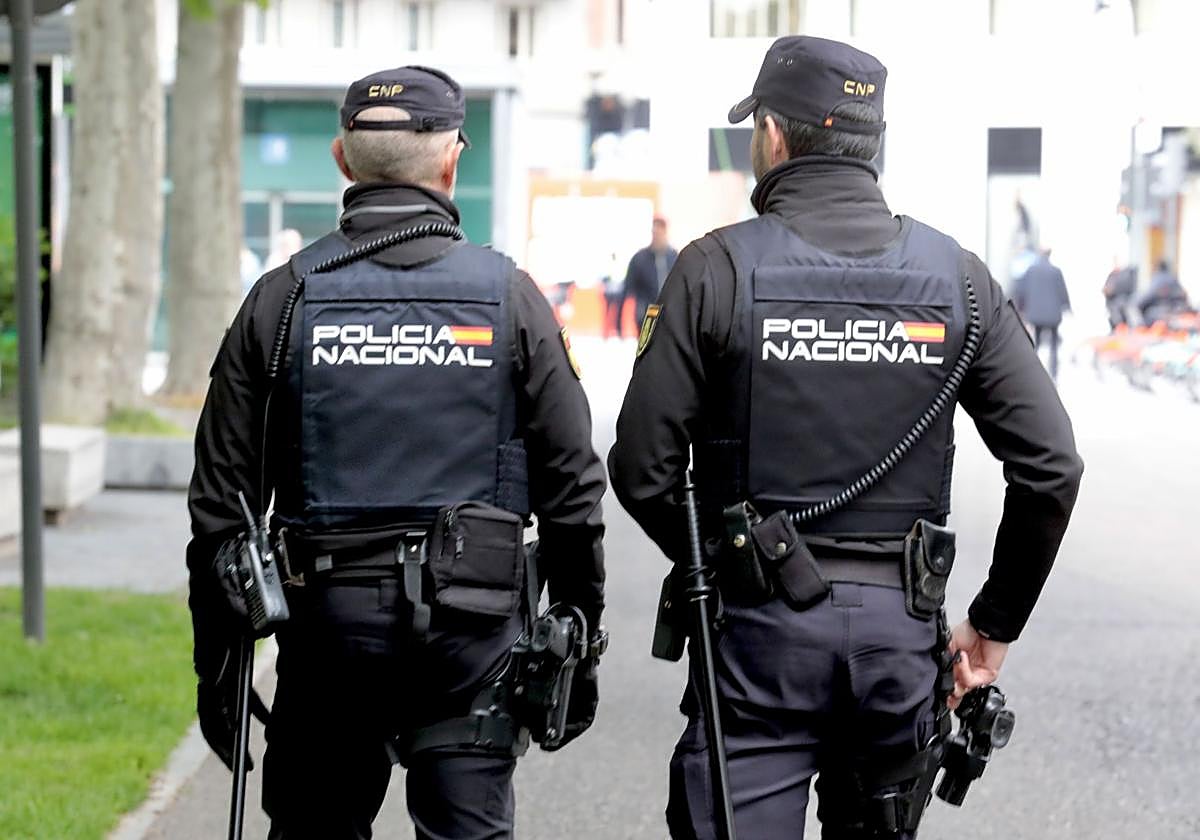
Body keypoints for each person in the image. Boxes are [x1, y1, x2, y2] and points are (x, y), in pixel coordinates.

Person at [608, 36, 1083, 839]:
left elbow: (642, 466)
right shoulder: (959, 277)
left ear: (775, 136)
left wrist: (726, 563)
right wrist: (992, 624)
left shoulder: (714, 268)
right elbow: (1051, 465)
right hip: (899, 642)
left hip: (756, 640)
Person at [186, 65, 607, 840]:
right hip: (473, 637)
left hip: (326, 637)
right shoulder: (510, 298)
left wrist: (217, 663)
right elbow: (574, 488)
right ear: (452, 162)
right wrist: (582, 625)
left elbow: (219, 505)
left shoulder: (281, 300)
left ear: (343, 162)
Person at [1012, 247, 1071, 381]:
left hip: (1036, 313)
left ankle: (1035, 372)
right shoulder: (1055, 271)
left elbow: (1021, 290)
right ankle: (1054, 373)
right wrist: (1067, 307)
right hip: (1052, 315)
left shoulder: (1031, 271)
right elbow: (1062, 291)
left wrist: (1020, 308)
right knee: (1054, 344)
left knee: (1036, 342)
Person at [625, 216, 678, 330]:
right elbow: (629, 286)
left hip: (669, 313)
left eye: (660, 233)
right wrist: (640, 306)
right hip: (648, 312)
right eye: (655, 233)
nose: (657, 237)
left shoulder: (674, 258)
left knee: (666, 345)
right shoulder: (640, 258)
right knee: (646, 345)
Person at [1138, 259, 1191, 324]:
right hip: (1176, 311)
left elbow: (1146, 298)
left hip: (1163, 314)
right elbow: (1183, 295)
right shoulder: (1173, 278)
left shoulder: (1158, 279)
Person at [1102, 262, 1137, 331]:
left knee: (1121, 306)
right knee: (1114, 309)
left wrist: (1113, 290)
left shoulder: (1125, 275)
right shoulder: (1111, 276)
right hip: (1112, 303)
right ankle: (1119, 327)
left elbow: (1127, 288)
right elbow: (1106, 288)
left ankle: (1122, 327)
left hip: (1122, 300)